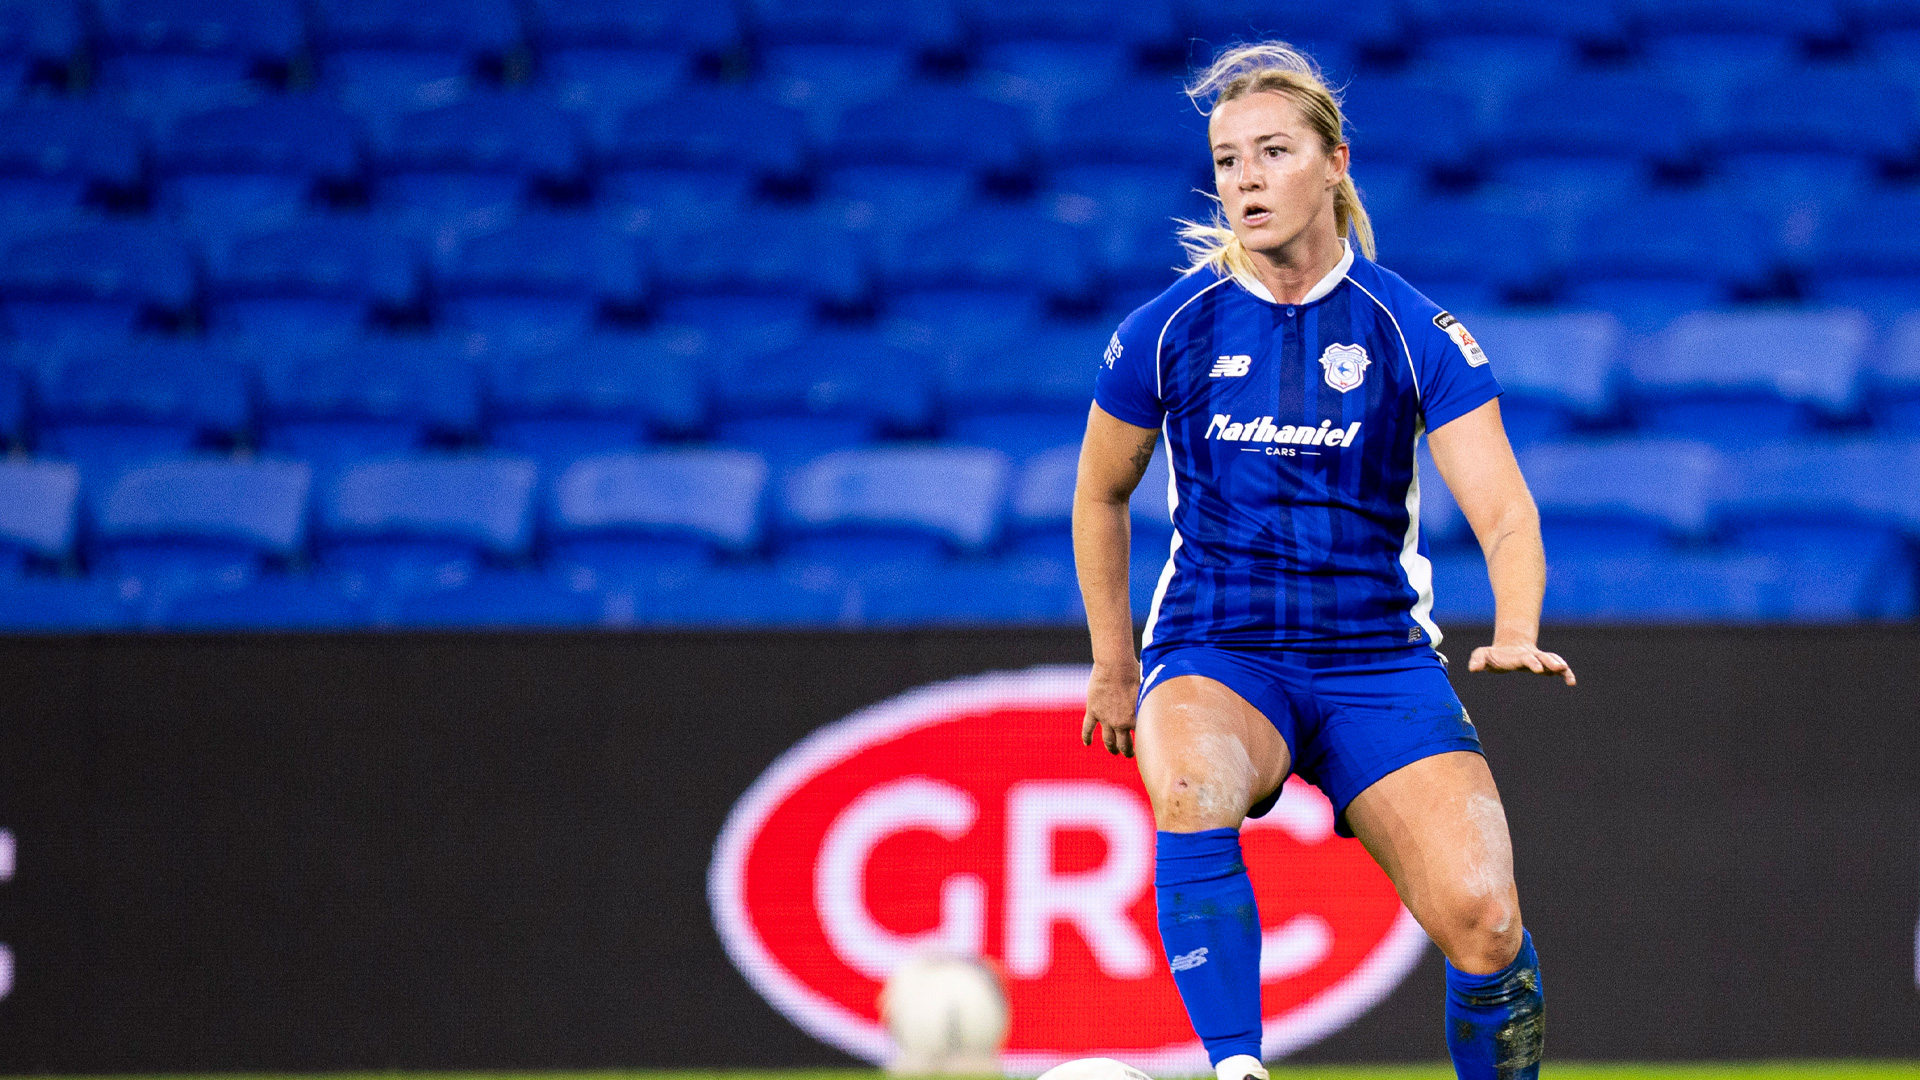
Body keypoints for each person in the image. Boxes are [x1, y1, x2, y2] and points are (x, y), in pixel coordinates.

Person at [1071, 41, 1574, 1080]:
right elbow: (1100, 493)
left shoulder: (1412, 329)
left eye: (1271, 152)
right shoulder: (1167, 332)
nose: (1245, 179)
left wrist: (1515, 627)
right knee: (1191, 788)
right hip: (1220, 647)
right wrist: (1115, 665)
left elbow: (1507, 513)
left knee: (1486, 926)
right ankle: (1237, 1069)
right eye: (1226, 160)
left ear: (1334, 162)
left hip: (1374, 661)